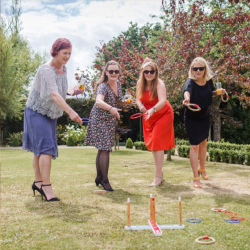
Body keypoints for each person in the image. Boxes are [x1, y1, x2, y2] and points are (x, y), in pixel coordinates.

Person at [23, 38, 82, 201]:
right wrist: (70, 112)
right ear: (55, 51)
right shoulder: (46, 70)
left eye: (70, 53)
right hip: (36, 111)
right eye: (65, 53)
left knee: (40, 149)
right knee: (45, 148)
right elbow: (53, 94)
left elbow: (60, 92)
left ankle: (38, 182)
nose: (68, 56)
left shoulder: (64, 69)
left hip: (50, 113)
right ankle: (47, 188)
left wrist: (73, 91)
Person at [182, 57, 226, 188]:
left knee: (203, 143)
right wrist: (186, 99)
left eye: (200, 68)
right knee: (194, 145)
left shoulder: (208, 81)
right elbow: (187, 92)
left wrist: (218, 92)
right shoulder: (190, 82)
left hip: (204, 116)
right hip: (191, 117)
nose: (198, 71)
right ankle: (196, 177)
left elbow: (208, 92)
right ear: (192, 70)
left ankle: (202, 168)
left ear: (204, 69)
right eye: (195, 68)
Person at [136, 58, 175, 186]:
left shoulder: (159, 83)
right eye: (146, 71)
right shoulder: (140, 84)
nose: (149, 74)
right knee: (153, 143)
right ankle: (160, 173)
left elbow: (162, 101)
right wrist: (141, 106)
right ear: (142, 72)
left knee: (157, 140)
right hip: (149, 116)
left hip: (163, 113)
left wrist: (152, 109)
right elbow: (138, 99)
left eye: (151, 71)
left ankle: (158, 177)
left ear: (155, 72)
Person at [84, 60, 122, 191]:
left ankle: (99, 177)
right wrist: (111, 109)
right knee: (105, 148)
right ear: (106, 72)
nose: (113, 73)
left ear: (118, 73)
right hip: (99, 119)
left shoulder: (118, 84)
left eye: (116, 71)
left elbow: (118, 101)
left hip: (109, 120)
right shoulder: (103, 86)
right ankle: (105, 181)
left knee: (102, 148)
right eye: (110, 71)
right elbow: (99, 101)